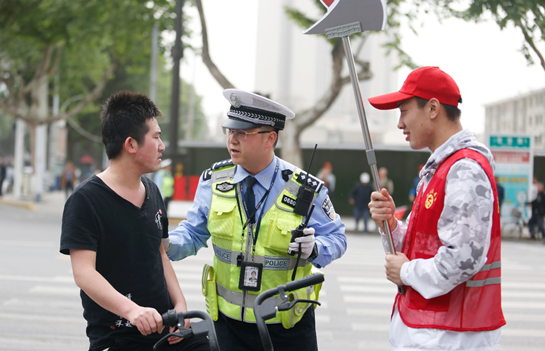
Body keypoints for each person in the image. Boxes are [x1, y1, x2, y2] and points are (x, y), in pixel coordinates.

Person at [164, 89, 347, 351]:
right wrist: (165, 244)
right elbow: (192, 234)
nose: (232, 140)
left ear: (270, 138)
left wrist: (316, 248)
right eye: (230, 131)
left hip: (286, 326)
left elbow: (338, 238)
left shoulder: (303, 189)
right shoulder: (214, 181)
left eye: (243, 133)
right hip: (228, 326)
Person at [367, 66, 505, 351]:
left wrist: (406, 272)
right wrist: (392, 225)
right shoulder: (441, 168)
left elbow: (464, 258)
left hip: (451, 335)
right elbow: (425, 246)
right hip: (433, 330)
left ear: (432, 108)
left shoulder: (464, 168)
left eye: (404, 111)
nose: (399, 123)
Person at [60, 91, 210, 351]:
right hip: (118, 336)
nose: (162, 145)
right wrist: (132, 311)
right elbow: (84, 273)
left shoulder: (153, 191)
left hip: (165, 330)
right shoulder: (85, 200)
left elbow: (159, 253)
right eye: (156, 137)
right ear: (131, 145)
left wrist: (180, 306)